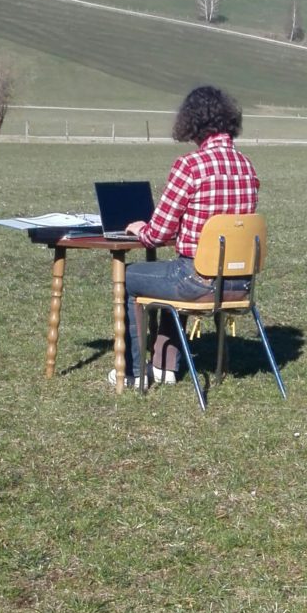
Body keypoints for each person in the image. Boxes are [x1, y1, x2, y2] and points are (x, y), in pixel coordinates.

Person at [108, 86, 260, 388]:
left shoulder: (190, 166)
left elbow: (158, 232)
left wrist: (141, 229)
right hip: (240, 283)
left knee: (129, 277)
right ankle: (165, 364)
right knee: (169, 272)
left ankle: (134, 372)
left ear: (191, 122)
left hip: (199, 281)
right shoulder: (247, 166)